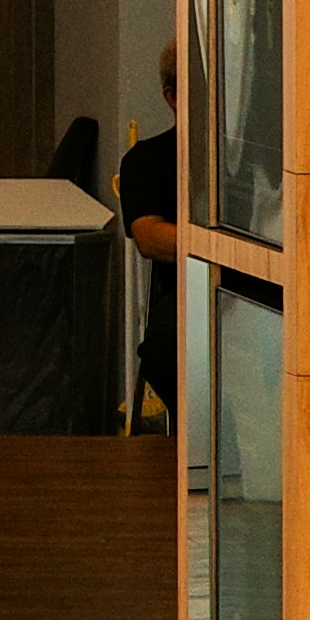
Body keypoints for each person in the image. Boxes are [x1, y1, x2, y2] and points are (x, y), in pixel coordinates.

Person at [119, 28, 187, 435]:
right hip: (185, 295)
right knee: (167, 349)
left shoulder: (257, 157)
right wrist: (216, 244)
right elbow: (148, 236)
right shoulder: (147, 160)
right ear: (171, 97)